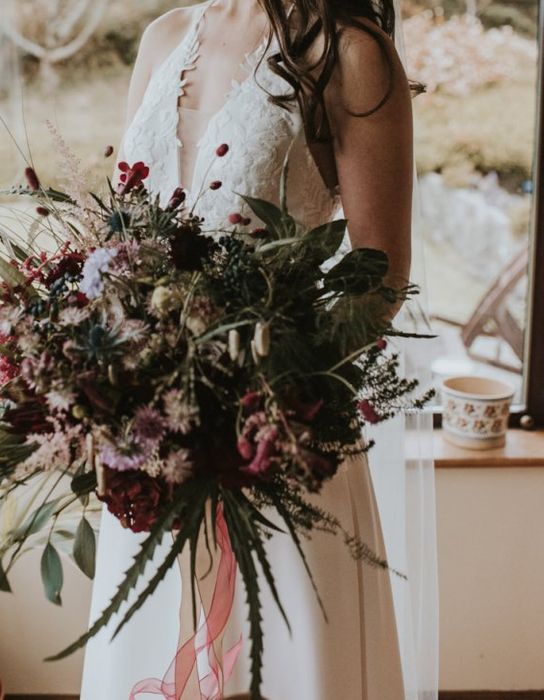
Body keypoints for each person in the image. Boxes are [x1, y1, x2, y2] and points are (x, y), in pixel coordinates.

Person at [81, 1, 417, 697]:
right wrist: (109, 373)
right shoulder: (165, 36)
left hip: (277, 444)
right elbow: (120, 238)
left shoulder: (348, 54)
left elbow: (378, 283)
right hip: (155, 446)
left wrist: (258, 400)